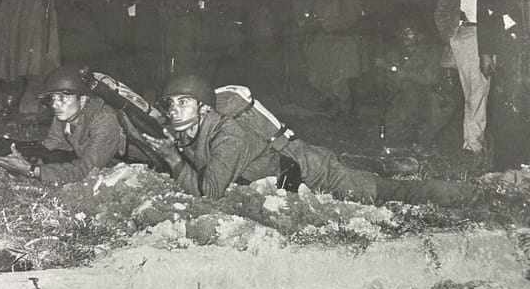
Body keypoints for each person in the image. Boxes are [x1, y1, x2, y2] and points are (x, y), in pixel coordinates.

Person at [143, 74, 480, 208]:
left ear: (203, 108)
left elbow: (209, 192)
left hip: (313, 173)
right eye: (170, 103)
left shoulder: (228, 133)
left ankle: (470, 193)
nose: (174, 110)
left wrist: (173, 159)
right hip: (296, 165)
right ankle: (382, 164)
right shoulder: (192, 130)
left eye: (183, 102)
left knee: (388, 192)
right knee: (356, 167)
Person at [0, 64, 127, 183]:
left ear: (83, 100)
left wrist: (31, 170)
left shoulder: (105, 121)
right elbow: (52, 146)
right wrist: (22, 156)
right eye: (53, 98)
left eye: (63, 98)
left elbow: (86, 172)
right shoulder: (66, 114)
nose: (55, 105)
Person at [0, 0, 65, 116]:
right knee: (11, 56)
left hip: (37, 0)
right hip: (12, 0)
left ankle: (48, 107)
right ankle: (11, 101)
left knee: (40, 57)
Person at [434, 0, 492, 161]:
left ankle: (487, 145)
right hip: (466, 34)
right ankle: (473, 146)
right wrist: (449, 36)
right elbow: (441, 10)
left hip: (495, 34)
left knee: (485, 91)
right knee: (474, 90)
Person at [477, 0, 530, 171]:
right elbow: (485, 15)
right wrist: (486, 52)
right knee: (508, 105)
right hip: (510, 51)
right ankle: (506, 163)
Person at [375, 16, 456, 147]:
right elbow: (389, 85)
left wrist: (394, 69)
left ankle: (421, 138)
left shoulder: (430, 51)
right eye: (402, 32)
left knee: (417, 96)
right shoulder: (393, 53)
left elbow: (429, 78)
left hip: (431, 98)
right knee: (391, 136)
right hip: (402, 101)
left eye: (409, 32)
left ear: (419, 35)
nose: (405, 36)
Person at [306, 0, 363, 115]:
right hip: (323, 39)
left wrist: (328, 23)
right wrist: (311, 21)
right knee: (316, 77)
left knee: (339, 80)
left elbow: (352, 16)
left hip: (342, 39)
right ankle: (330, 106)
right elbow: (314, 11)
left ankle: (345, 111)